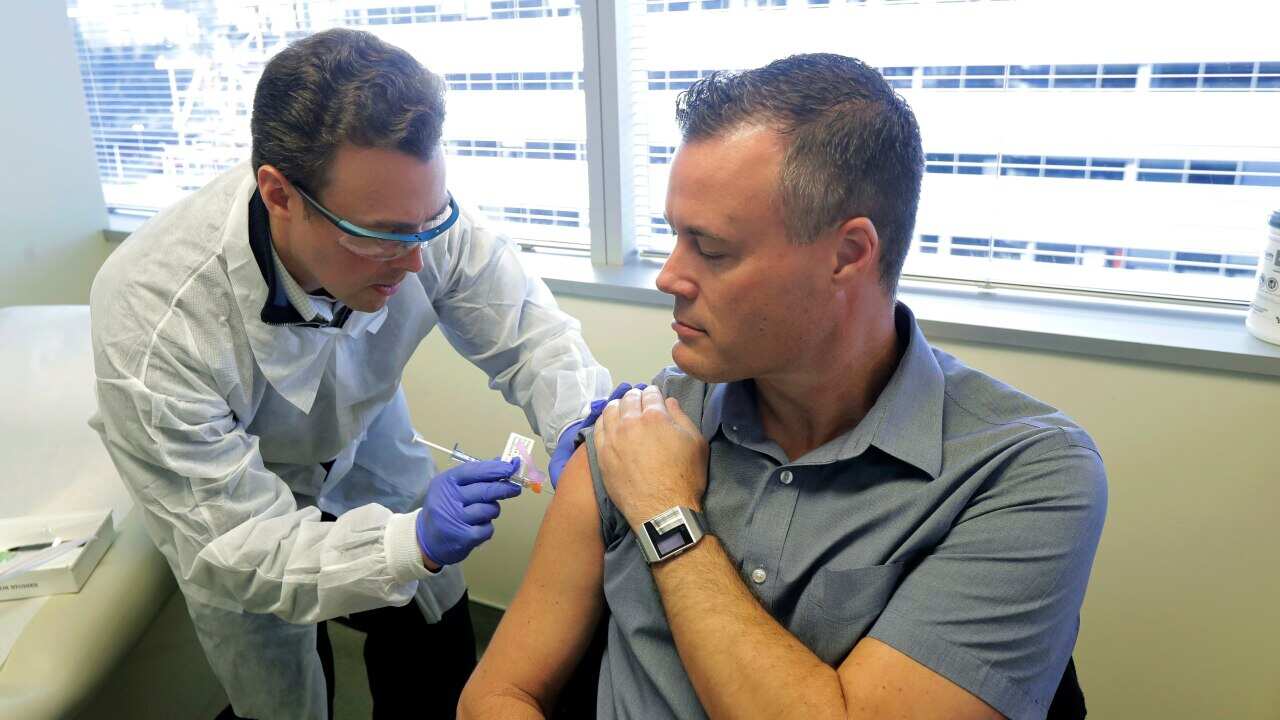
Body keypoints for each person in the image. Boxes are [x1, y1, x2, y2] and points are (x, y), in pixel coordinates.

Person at [459, 53, 1107, 720]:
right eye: (674, 237)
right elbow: (498, 694)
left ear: (849, 254)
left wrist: (664, 512)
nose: (669, 277)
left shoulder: (1022, 472)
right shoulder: (644, 425)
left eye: (711, 249)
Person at [88, 28, 629, 720]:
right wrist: (410, 541)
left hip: (367, 441)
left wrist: (580, 423)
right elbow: (235, 548)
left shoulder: (413, 217)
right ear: (279, 194)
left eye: (427, 225)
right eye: (380, 238)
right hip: (235, 493)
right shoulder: (154, 317)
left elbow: (530, 332)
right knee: (282, 695)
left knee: (434, 646)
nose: (413, 265)